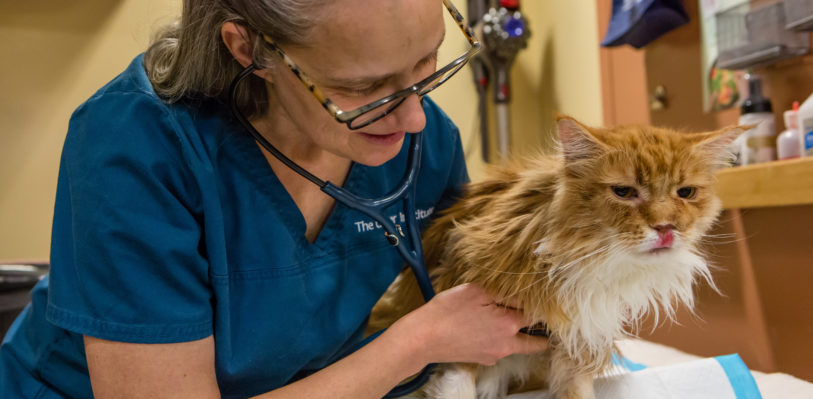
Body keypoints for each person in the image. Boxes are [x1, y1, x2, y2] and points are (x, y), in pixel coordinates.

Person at [0, 0, 548, 397]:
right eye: (361, 88)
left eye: (428, 62)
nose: (413, 118)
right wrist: (419, 342)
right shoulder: (139, 146)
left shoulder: (424, 144)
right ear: (248, 47)